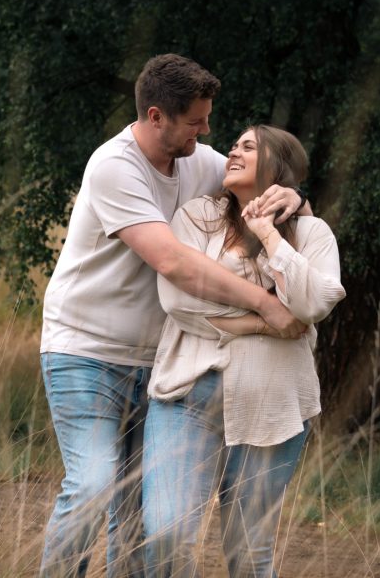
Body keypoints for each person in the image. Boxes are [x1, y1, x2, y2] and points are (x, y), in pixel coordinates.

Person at [39, 56, 308, 577]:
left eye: (207, 120)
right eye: (195, 122)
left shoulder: (198, 160)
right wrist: (265, 305)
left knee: (138, 515)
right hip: (86, 352)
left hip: (161, 367)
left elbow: (261, 177)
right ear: (156, 116)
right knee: (93, 484)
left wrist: (295, 195)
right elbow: (172, 262)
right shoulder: (114, 166)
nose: (206, 132)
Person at [142, 125, 346, 578]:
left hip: (273, 405)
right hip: (186, 397)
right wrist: (265, 318)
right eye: (234, 145)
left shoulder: (312, 232)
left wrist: (268, 234)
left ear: (277, 165)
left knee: (249, 550)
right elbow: (178, 300)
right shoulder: (197, 217)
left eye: (248, 147)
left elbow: (314, 303)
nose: (233, 152)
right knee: (166, 533)